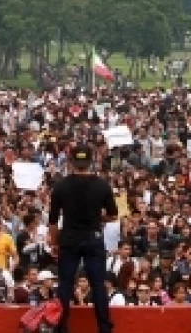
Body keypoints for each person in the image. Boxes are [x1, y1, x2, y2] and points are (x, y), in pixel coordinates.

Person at [48, 143, 118, 333]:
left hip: (69, 238)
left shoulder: (60, 186)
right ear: (91, 161)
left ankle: (61, 327)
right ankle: (104, 328)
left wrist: (54, 243)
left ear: (71, 161)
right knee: (98, 285)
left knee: (65, 285)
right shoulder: (102, 185)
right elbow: (113, 215)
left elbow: (53, 220)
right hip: (92, 237)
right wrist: (98, 217)